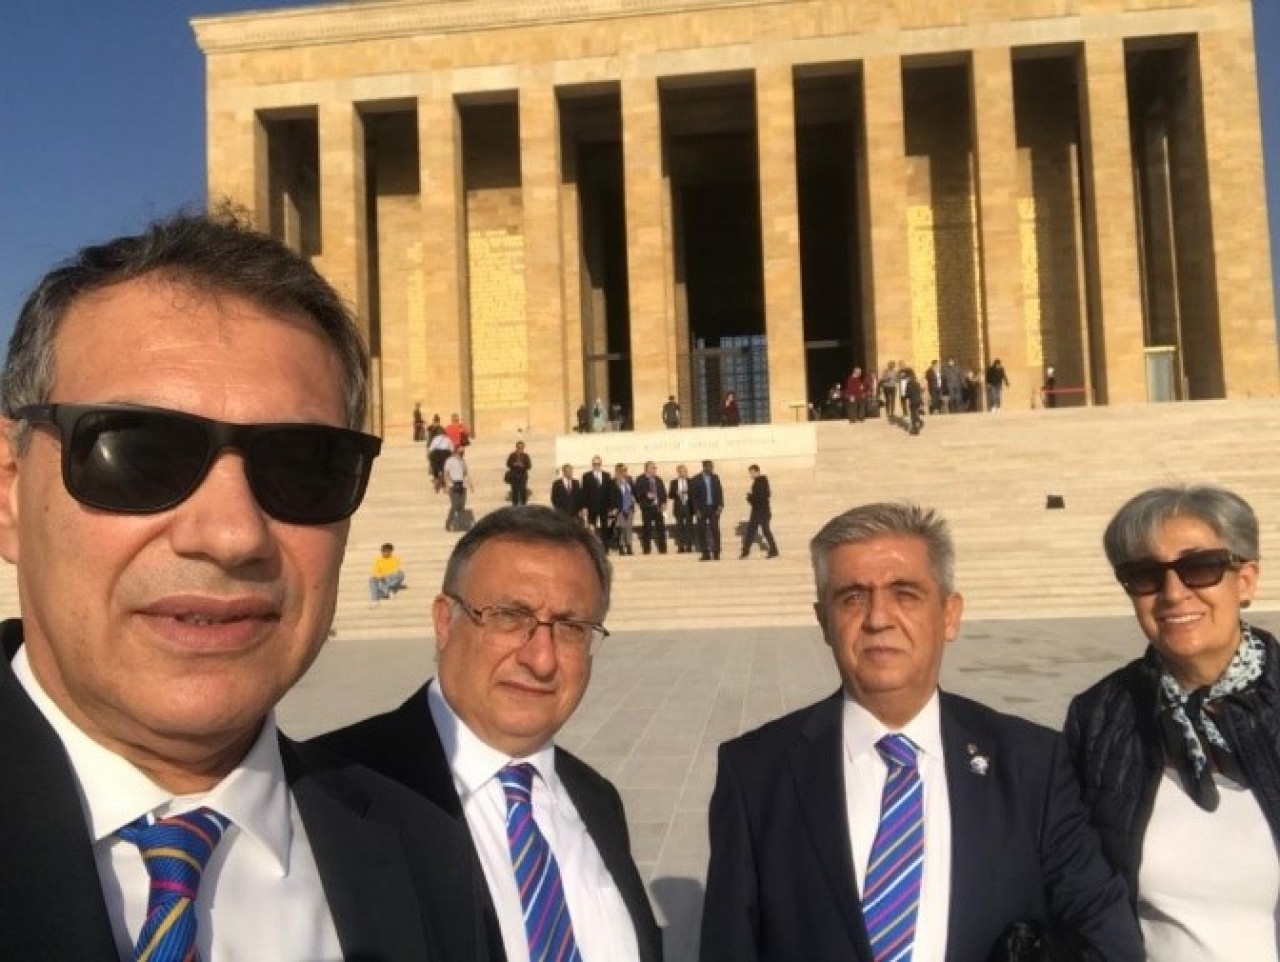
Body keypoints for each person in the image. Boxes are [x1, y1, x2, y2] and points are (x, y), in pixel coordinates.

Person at [0, 211, 494, 960]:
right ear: (10, 491)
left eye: (302, 465)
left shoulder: (430, 855)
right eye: (139, 453)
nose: (233, 534)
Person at [701, 502, 1143, 962]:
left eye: (905, 594)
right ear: (824, 621)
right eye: (852, 597)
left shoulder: (1032, 765)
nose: (878, 618)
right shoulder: (755, 773)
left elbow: (1108, 938)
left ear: (949, 615)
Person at [314, 506, 663, 962]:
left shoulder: (597, 798)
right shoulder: (326, 794)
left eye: (572, 628)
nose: (542, 659)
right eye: (509, 616)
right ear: (445, 621)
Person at [1066, 485, 1280, 960]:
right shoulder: (1100, 716)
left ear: (1245, 580)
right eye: (1145, 575)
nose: (1173, 593)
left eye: (1200, 567)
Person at [740, 464, 779, 559]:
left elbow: (760, 497)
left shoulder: (760, 482)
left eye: (752, 473)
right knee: (755, 531)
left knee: (761, 531)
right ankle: (746, 552)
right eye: (750, 473)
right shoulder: (761, 482)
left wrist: (750, 497)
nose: (751, 475)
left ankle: (746, 552)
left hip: (760, 511)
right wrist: (752, 497)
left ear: (757, 472)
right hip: (760, 511)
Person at [581, 454, 617, 549]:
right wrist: (584, 507)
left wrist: (612, 507)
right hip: (592, 507)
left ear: (601, 464)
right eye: (594, 464)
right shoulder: (587, 476)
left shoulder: (606, 475)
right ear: (592, 464)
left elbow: (610, 492)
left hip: (604, 507)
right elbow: (584, 493)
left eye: (598, 464)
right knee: (592, 529)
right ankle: (593, 548)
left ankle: (605, 548)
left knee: (605, 528)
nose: (596, 465)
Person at [691, 459, 724, 561]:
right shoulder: (696, 479)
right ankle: (705, 554)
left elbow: (719, 491)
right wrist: (696, 510)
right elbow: (693, 496)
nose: (711, 468)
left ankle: (716, 553)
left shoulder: (715, 477)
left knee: (715, 530)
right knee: (701, 531)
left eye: (712, 466)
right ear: (704, 467)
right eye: (709, 466)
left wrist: (720, 505)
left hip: (713, 508)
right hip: (701, 509)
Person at [635, 461, 668, 555]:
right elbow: (637, 493)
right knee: (647, 529)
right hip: (647, 508)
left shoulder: (658, 479)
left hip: (658, 507)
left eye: (655, 468)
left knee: (661, 528)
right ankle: (647, 549)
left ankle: (663, 549)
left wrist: (664, 503)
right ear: (647, 469)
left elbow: (663, 492)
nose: (655, 469)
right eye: (653, 467)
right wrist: (646, 495)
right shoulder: (640, 479)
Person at [444, 445, 473, 532]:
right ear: (456, 451)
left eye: (463, 451)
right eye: (461, 451)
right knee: (455, 505)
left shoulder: (462, 461)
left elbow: (465, 473)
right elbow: (446, 473)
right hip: (453, 484)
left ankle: (461, 525)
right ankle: (449, 523)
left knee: (461, 505)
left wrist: (470, 484)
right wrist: (447, 485)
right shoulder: (450, 461)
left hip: (462, 485)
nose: (462, 453)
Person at [668, 464, 696, 554]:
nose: (684, 473)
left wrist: (688, 492)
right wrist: (676, 492)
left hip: (688, 506)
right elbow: (670, 495)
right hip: (679, 506)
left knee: (689, 527)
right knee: (679, 527)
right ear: (678, 472)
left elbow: (695, 493)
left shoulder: (691, 481)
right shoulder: (674, 482)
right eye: (682, 471)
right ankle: (680, 546)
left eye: (685, 471)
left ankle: (689, 546)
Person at [613, 463, 636, 556]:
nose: (624, 472)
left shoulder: (629, 480)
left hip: (629, 507)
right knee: (622, 527)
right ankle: (621, 545)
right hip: (620, 508)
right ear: (617, 471)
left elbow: (634, 491)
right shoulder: (614, 481)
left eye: (625, 470)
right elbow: (612, 495)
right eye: (622, 470)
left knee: (629, 527)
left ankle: (629, 545)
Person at [428, 422, 454, 493]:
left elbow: (430, 449)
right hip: (445, 454)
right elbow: (452, 449)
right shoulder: (447, 439)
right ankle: (445, 483)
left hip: (435, 453)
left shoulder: (435, 439)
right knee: (445, 468)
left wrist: (430, 459)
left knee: (435, 467)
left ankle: (436, 477)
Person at [505, 439, 532, 506]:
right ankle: (515, 506)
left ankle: (524, 505)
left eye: (521, 448)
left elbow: (529, 466)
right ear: (516, 447)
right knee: (515, 491)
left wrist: (523, 465)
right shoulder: (512, 455)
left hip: (522, 476)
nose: (520, 449)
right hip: (514, 476)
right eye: (518, 447)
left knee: (523, 491)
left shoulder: (525, 456)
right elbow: (508, 464)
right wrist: (514, 464)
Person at [902, 365, 925, 435]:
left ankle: (915, 430)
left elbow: (908, 393)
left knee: (913, 416)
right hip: (918, 400)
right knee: (915, 414)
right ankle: (920, 422)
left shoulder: (909, 383)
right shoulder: (916, 382)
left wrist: (905, 397)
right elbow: (920, 391)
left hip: (913, 401)